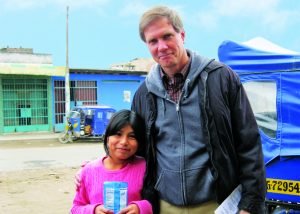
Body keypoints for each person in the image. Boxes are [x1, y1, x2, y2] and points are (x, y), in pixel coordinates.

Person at [130, 5, 266, 214]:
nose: (162, 46)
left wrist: (249, 205)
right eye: (153, 41)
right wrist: (100, 167)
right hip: (165, 206)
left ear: (182, 34)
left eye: (167, 36)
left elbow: (249, 144)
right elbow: (136, 150)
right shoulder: (143, 93)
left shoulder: (221, 79)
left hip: (217, 205)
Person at [71, 109, 152, 214]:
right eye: (118, 134)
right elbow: (75, 209)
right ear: (107, 137)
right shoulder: (88, 171)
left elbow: (156, 204)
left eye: (132, 136)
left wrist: (140, 208)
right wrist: (93, 210)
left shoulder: (145, 167)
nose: (124, 142)